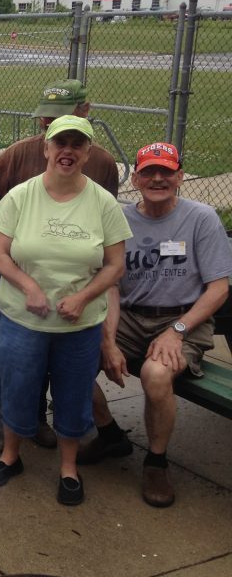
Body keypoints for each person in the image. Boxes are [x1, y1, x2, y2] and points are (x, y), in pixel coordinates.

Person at [0, 115, 130, 506]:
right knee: (18, 387)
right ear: (46, 148)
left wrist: (82, 297)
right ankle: (10, 456)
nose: (67, 151)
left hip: (79, 324)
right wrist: (29, 286)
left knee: (74, 393)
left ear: (87, 153)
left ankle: (68, 468)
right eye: (59, 143)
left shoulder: (102, 202)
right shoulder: (21, 196)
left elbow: (115, 265)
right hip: (22, 319)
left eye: (76, 145)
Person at [82, 142, 232, 507]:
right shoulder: (120, 219)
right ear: (135, 177)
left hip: (183, 317)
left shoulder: (202, 218)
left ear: (180, 176)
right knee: (69, 357)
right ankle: (109, 433)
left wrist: (177, 331)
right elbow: (113, 286)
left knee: (156, 374)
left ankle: (156, 461)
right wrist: (108, 341)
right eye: (148, 171)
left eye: (166, 171)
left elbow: (218, 288)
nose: (158, 178)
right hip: (130, 315)